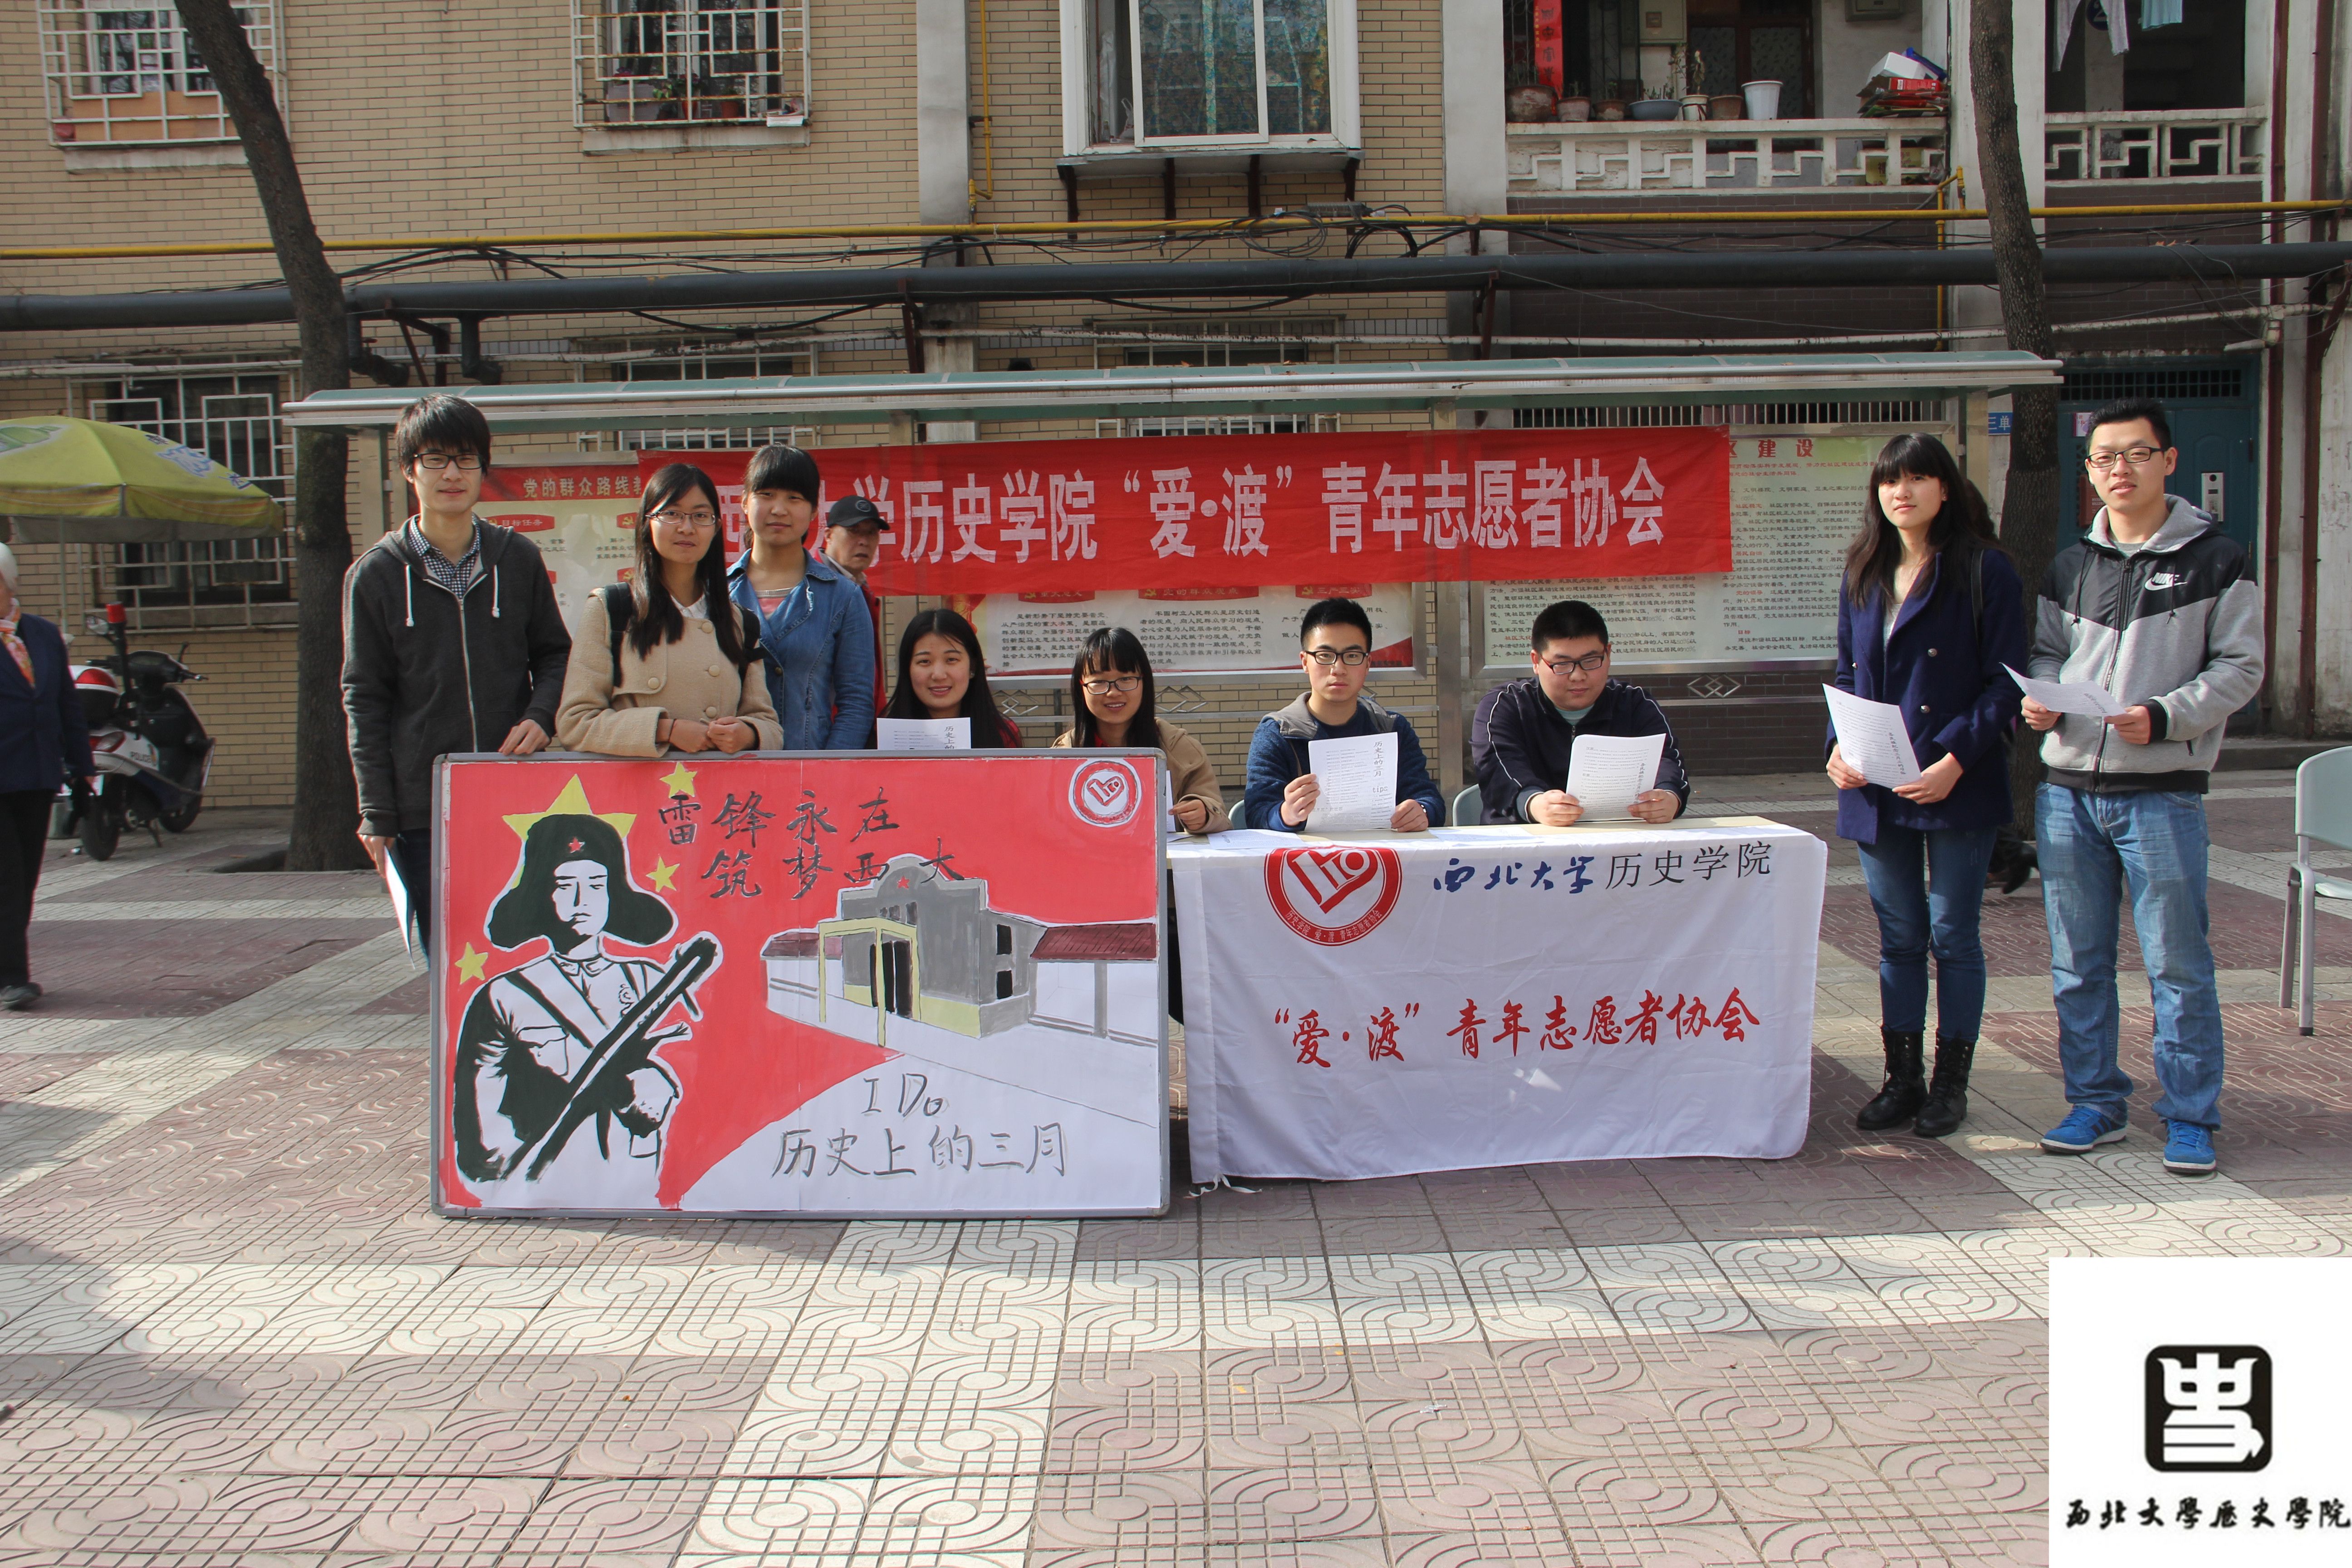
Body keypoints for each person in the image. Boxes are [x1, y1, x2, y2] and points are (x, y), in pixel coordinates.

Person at [2025, 397, 2263, 1176]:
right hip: (2066, 791)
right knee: (2076, 963)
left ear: (2168, 460)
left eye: (2134, 454)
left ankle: (2189, 1116)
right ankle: (2094, 1102)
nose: (2117, 470)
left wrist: (2164, 717)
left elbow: (2240, 667)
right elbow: (2047, 652)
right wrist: (2043, 698)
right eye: (2103, 458)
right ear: (2089, 470)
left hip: (2161, 790)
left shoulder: (2216, 560)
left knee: (2177, 964)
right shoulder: (2071, 565)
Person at [1826, 434, 2027, 1140]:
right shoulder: (1864, 568)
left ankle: (1950, 1085)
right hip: (1875, 781)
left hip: (1953, 780)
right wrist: (1836, 748)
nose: (1901, 492)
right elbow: (1846, 675)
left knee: (1953, 935)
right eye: (1889, 481)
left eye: (1916, 478)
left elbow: (2006, 683)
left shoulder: (1984, 569)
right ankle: (1901, 1080)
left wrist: (1954, 761)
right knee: (1900, 937)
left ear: (1946, 488)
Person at [343, 394, 571, 951]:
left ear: (483, 469)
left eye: (466, 459)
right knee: (448, 960)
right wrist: (377, 811)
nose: (452, 474)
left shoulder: (516, 559)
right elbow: (364, 697)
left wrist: (541, 716)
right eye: (435, 459)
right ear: (409, 470)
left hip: (515, 794)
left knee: (524, 947)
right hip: (424, 807)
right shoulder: (375, 575)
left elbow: (554, 654)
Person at [454, 813, 686, 1203]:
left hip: (634, 1175)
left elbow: (695, 1055)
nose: (583, 901)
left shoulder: (648, 981)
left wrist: (657, 1083)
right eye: (565, 886)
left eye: (597, 884)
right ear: (542, 894)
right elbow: (480, 1098)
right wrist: (505, 1168)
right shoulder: (505, 994)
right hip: (540, 1176)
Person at [557, 463, 783, 756]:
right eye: (672, 514)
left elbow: (768, 724)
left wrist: (748, 734)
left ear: (716, 528)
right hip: (638, 784)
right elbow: (575, 724)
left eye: (700, 516)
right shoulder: (611, 609)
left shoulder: (740, 622)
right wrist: (665, 730)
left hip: (717, 783)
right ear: (647, 522)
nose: (687, 528)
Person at [1471, 599, 1689, 826]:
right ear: (1536, 661)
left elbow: (1666, 759)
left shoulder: (1635, 704)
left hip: (1617, 834)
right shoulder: (1506, 705)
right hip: (1522, 838)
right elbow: (1497, 768)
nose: (1578, 676)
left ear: (1608, 654)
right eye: (1562, 665)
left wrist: (1669, 796)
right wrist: (1533, 803)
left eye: (1591, 661)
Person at [1244, 598, 1444, 833]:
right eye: (1325, 656)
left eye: (1352, 656)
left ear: (1368, 664)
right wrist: (1285, 815)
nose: (1338, 669)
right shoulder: (1277, 733)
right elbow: (1257, 814)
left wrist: (1423, 811)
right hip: (1307, 855)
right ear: (1305, 662)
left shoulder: (1391, 728)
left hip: (1382, 852)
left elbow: (1429, 799)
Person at [724, 444, 876, 749]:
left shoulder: (843, 596)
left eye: (794, 498)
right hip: (731, 767)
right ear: (744, 502)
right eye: (767, 494)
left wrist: (828, 768)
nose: (779, 509)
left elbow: (856, 702)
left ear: (814, 511)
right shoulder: (715, 591)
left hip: (810, 765)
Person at [0, 544, 94, 1012]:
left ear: (8, 582)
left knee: (25, 880)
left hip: (37, 772)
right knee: (6, 878)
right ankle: (13, 978)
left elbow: (66, 705)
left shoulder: (42, 633)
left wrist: (82, 770)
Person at [1051, 626, 1231, 835]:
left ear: (1144, 682)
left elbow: (1219, 814)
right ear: (1081, 687)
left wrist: (1204, 814)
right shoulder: (1061, 755)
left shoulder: (1180, 748)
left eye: (1126, 679)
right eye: (1099, 682)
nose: (1113, 692)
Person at [881, 608, 1022, 747]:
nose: (939, 675)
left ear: (972, 667)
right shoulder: (883, 737)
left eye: (951, 660)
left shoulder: (1003, 735)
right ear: (908, 668)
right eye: (925, 661)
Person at [821, 494, 890, 719]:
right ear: (829, 535)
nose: (864, 541)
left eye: (871, 533)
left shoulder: (861, 588)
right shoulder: (812, 588)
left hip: (861, 721)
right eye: (854, 531)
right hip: (826, 727)